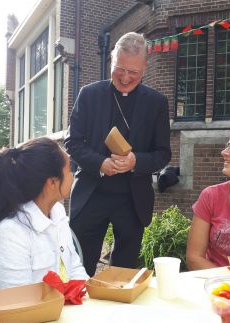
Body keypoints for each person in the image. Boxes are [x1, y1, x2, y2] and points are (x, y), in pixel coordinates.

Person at [64, 32, 171, 276]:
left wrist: (136, 161)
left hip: (132, 200)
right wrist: (100, 162)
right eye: (119, 69)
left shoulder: (156, 103)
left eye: (132, 72)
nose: (124, 78)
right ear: (112, 59)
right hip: (92, 194)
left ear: (145, 67)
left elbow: (163, 153)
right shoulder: (89, 94)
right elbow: (72, 141)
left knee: (124, 272)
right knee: (79, 268)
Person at [0, 137, 89, 291]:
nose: (73, 175)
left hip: (58, 310)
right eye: (69, 169)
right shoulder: (10, 232)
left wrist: (87, 298)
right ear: (52, 182)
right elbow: (19, 304)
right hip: (24, 313)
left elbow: (75, 268)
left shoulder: (57, 211)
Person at [186, 138, 230, 270]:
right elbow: (194, 259)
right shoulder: (211, 196)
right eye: (227, 146)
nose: (224, 152)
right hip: (215, 286)